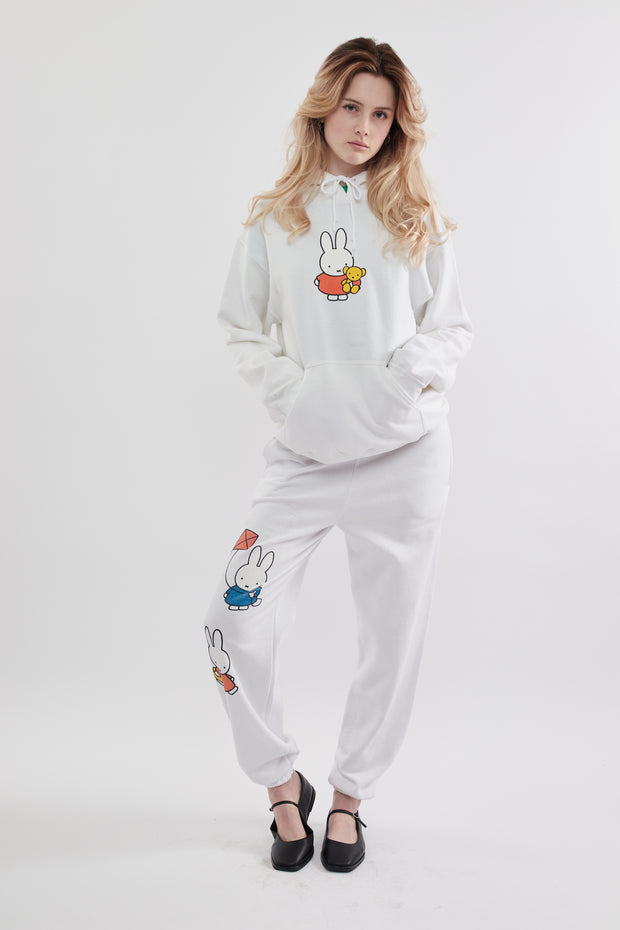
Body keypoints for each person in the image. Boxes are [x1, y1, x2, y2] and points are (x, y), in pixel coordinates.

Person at [203, 36, 473, 873]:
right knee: (229, 624)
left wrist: (398, 387)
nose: (363, 126)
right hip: (304, 459)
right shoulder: (275, 219)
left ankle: (351, 797)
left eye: (381, 114)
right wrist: (296, 396)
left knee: (391, 640)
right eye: (351, 107)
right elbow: (240, 327)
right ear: (323, 109)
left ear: (397, 126)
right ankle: (282, 784)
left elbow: (450, 329)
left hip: (404, 458)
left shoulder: (417, 218)